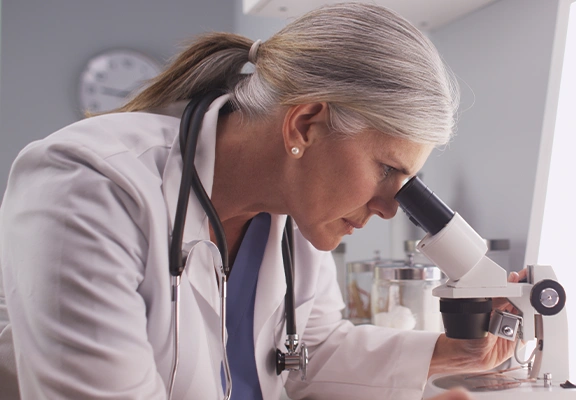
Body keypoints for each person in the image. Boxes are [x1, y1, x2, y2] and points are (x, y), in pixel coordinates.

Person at [0, 3, 521, 399]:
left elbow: (308, 355)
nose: (390, 208)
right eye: (387, 170)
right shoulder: (89, 185)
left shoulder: (295, 216)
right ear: (306, 124)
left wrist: (453, 353)